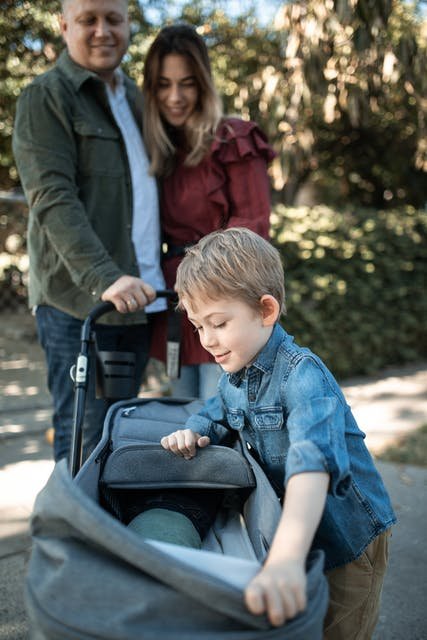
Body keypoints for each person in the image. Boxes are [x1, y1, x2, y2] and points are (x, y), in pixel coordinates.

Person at [160, 227, 396, 638]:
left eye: (218, 323)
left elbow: (312, 464)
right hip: (295, 532)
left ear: (266, 311)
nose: (207, 340)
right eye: (198, 327)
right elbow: (215, 414)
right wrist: (192, 431)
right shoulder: (234, 372)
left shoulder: (303, 376)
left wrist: (285, 557)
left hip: (349, 538)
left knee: (338, 629)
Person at [12, 0, 166, 463]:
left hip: (142, 300)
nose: (103, 31)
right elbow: (52, 198)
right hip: (81, 306)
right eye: (88, 20)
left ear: (128, 25)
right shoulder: (47, 96)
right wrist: (105, 277)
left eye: (113, 19)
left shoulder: (136, 99)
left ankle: (106, 536)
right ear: (64, 27)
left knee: (120, 443)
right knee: (83, 440)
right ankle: (69, 536)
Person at [142, 23, 275, 400]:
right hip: (176, 303)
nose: (175, 96)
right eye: (164, 85)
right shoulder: (161, 150)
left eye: (187, 83)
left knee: (220, 427)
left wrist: (212, 296)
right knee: (184, 426)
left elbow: (253, 229)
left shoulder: (234, 138)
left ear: (204, 83)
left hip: (225, 299)